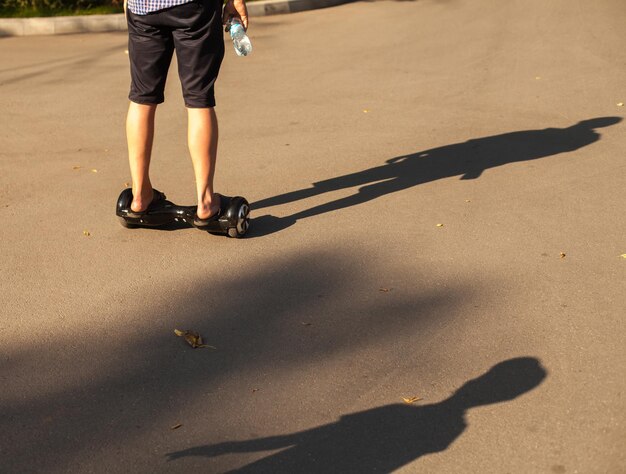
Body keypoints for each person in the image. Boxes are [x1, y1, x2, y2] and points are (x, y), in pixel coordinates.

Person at [123, 0, 248, 223]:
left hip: (142, 7)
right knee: (199, 99)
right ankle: (206, 202)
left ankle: (140, 196)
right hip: (193, 7)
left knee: (141, 97)